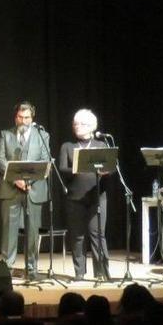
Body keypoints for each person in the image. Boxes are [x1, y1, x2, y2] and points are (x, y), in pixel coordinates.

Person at [0, 101, 50, 278]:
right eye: (20, 117)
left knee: (32, 231)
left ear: (32, 118)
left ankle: (31, 268)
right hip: (10, 189)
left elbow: (44, 161)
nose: (23, 121)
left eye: (27, 117)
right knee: (9, 231)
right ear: (15, 117)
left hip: (33, 190)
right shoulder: (6, 135)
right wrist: (16, 180)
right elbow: (0, 160)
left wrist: (29, 182)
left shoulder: (42, 135)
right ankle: (7, 268)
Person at [58, 109, 110, 281]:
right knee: (77, 236)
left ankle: (101, 271)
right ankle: (79, 272)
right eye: (75, 123)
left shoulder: (101, 145)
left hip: (97, 196)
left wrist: (105, 171)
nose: (77, 126)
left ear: (92, 127)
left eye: (82, 123)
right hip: (75, 198)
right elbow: (62, 169)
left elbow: (111, 168)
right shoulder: (68, 146)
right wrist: (79, 167)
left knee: (97, 235)